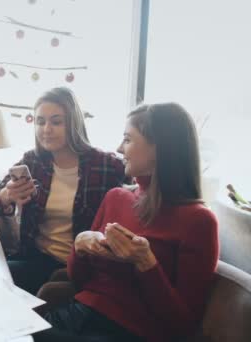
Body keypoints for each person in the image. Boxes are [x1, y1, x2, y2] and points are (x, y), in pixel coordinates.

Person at [37, 103, 219, 342]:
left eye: (128, 139)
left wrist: (146, 263)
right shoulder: (116, 197)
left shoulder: (198, 221)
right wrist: (80, 246)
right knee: (8, 328)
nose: (119, 148)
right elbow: (80, 281)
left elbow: (182, 325)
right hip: (79, 313)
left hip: (132, 332)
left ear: (160, 149)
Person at [0, 87, 128, 295]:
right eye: (40, 121)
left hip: (82, 267)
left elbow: (143, 184)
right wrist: (6, 195)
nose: (46, 129)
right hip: (37, 258)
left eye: (56, 122)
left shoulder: (106, 165)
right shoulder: (33, 161)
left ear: (73, 124)